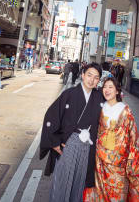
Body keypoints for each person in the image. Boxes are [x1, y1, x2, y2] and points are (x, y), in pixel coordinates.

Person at [40, 63, 104, 202]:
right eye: (89, 75)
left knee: (79, 184)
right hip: (68, 144)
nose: (91, 80)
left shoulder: (99, 97)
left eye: (96, 77)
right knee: (62, 182)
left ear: (99, 81)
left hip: (87, 147)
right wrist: (55, 142)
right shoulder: (69, 94)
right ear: (82, 75)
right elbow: (51, 117)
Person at [84, 77, 139, 201]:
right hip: (99, 158)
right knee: (99, 191)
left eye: (110, 87)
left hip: (118, 160)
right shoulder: (100, 107)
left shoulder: (125, 110)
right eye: (105, 87)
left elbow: (133, 136)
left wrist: (131, 160)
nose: (106, 90)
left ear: (117, 91)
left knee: (116, 193)